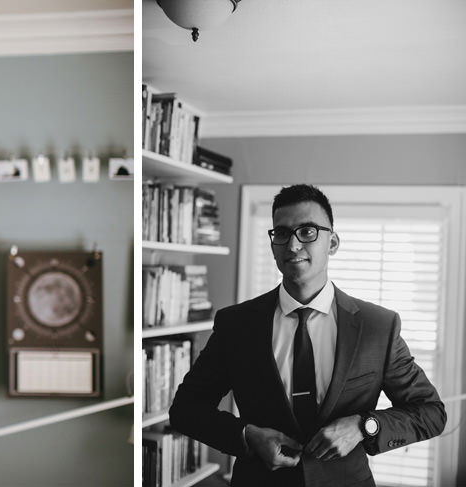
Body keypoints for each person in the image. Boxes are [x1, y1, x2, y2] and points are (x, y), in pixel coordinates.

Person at [170, 184, 445, 486]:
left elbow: (430, 412)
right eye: (282, 233)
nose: (293, 245)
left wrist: (363, 426)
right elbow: (186, 409)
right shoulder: (236, 324)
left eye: (308, 231)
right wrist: (246, 435)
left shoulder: (377, 326)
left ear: (333, 242)